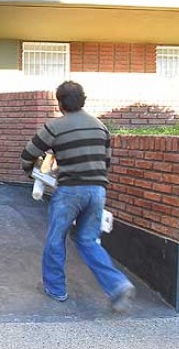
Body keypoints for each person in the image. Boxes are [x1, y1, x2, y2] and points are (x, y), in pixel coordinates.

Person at [20, 81, 135, 313]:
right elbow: (107, 163)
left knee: (56, 238)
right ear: (83, 100)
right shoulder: (101, 127)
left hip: (70, 191)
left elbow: (28, 153)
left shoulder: (55, 126)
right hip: (97, 191)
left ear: (60, 103)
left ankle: (55, 289)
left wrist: (31, 172)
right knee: (87, 239)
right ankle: (117, 284)